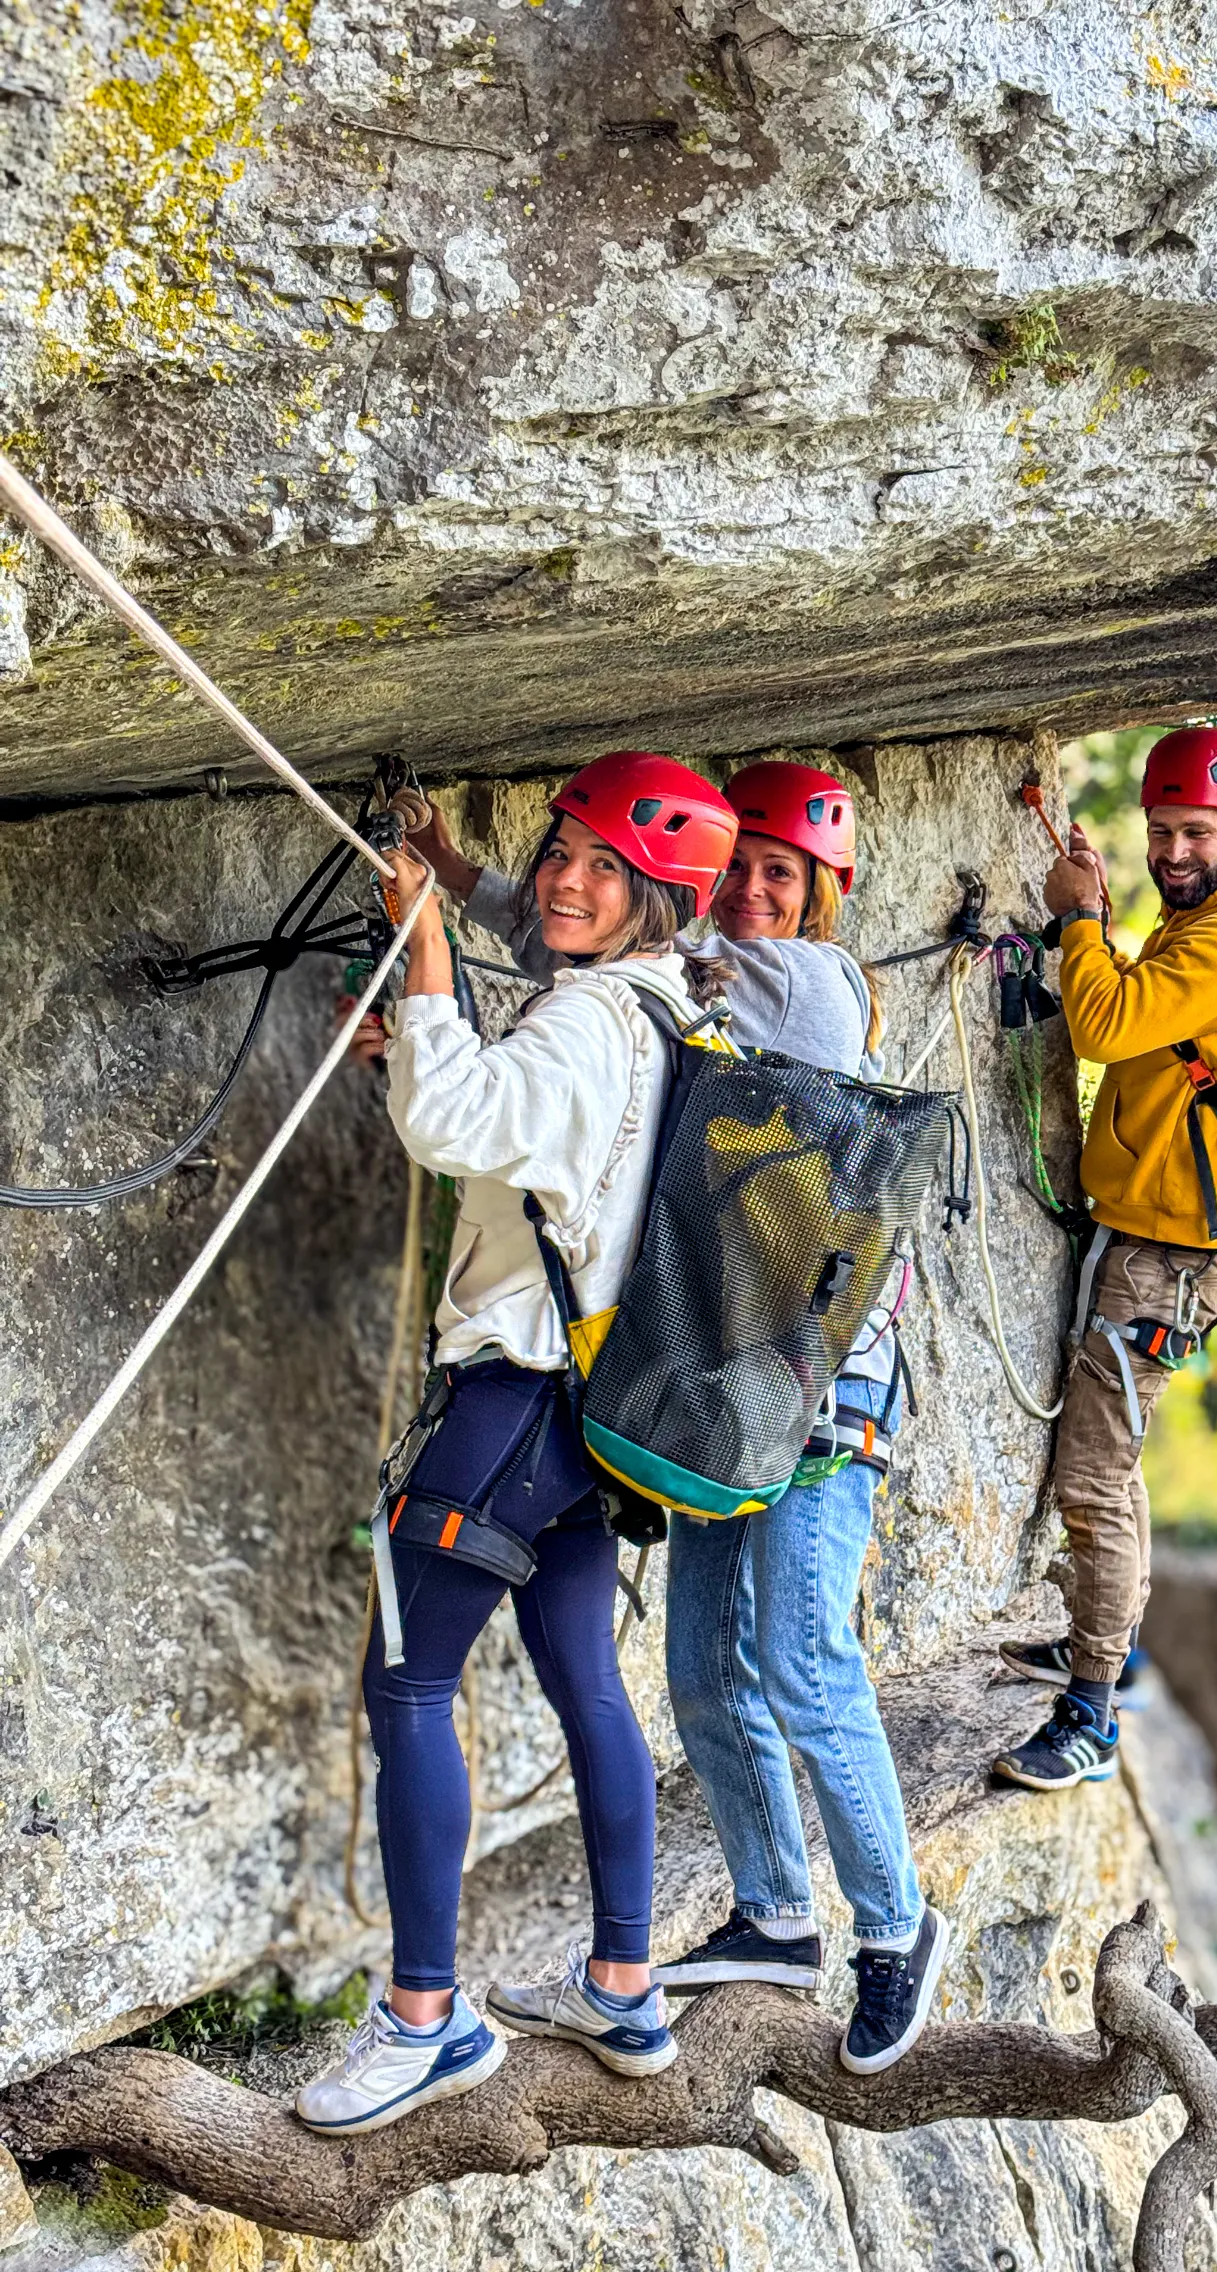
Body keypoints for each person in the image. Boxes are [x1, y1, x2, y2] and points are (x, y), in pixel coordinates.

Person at [408, 761, 947, 2074]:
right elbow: (618, 940)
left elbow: (627, 942)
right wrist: (458, 867)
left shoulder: (805, 981)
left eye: (781, 873)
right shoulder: (709, 975)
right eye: (741, 865)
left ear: (823, 894)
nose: (754, 893)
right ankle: (772, 1914)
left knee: (805, 1662)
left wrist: (457, 895)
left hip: (814, 1384)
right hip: (720, 1364)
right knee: (703, 1663)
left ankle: (895, 1928)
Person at [296, 753, 737, 2136]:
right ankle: (624, 1981)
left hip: (517, 1394)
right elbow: (532, 1148)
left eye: (605, 867)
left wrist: (424, 933)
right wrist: (434, 1021)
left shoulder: (595, 1018)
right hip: (597, 1414)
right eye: (562, 851)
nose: (565, 877)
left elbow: (455, 1120)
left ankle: (425, 2018)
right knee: (579, 1673)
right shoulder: (667, 1014)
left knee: (409, 1679)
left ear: (657, 895)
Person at [992, 727, 1217, 1796]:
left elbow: (1106, 1023)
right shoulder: (1207, 925)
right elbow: (1150, 1019)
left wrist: (1079, 919)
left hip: (1165, 1259)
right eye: (1160, 830)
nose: (1171, 851)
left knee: (1092, 1478)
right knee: (1114, 1473)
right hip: (1147, 1238)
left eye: (1193, 833)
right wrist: (1106, 921)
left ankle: (1089, 1714)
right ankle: (1114, 1643)